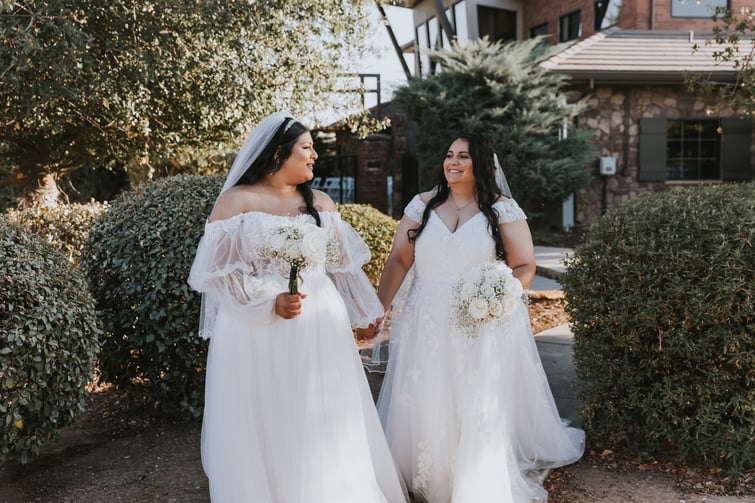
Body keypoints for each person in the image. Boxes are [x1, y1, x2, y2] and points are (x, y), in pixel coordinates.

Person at [187, 110, 407, 502]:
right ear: (277, 155)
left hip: (320, 323)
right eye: (306, 148)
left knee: (322, 412)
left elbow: (341, 270)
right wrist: (268, 300)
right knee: (267, 413)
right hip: (255, 327)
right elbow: (219, 274)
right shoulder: (237, 201)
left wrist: (364, 314)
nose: (314, 156)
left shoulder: (321, 204)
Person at [369, 133, 584, 502]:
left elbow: (523, 265)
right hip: (426, 316)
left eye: (463, 156)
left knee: (471, 395)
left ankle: (470, 473)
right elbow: (400, 260)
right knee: (424, 388)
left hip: (477, 318)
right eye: (449, 154)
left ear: (481, 163)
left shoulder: (502, 209)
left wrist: (498, 294)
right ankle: (421, 469)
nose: (452, 162)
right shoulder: (421, 206)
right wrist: (377, 309)